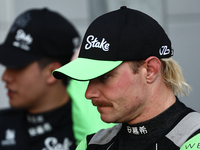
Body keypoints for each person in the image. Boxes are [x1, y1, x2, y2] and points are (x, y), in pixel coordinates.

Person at [53, 6, 200, 150]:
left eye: (104, 77)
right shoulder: (91, 144)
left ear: (150, 70)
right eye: (89, 78)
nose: (88, 93)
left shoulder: (193, 138)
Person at [0, 8, 114, 150]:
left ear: (52, 72)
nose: (5, 77)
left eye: (17, 66)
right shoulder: (3, 124)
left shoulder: (98, 127)